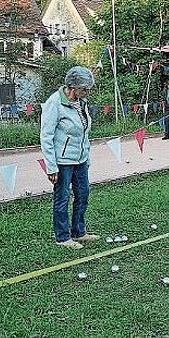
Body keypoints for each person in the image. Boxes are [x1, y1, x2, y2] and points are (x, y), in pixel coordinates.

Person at [40, 66, 99, 249]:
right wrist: (51, 166)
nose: (86, 92)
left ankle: (79, 232)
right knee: (62, 198)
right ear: (72, 87)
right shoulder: (55, 102)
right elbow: (46, 136)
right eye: (84, 89)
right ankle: (63, 237)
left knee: (83, 194)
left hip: (80, 159)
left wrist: (86, 157)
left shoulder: (82, 103)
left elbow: (84, 133)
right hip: (63, 162)